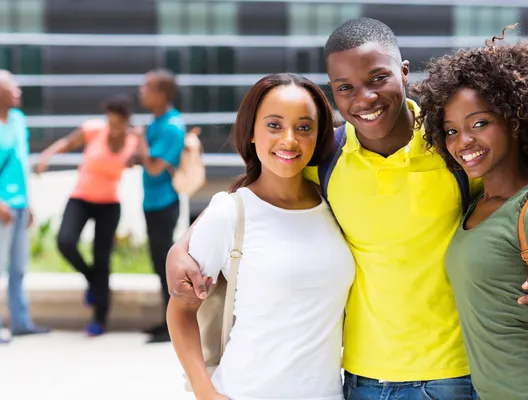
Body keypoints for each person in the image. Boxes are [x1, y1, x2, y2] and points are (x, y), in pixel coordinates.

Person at [165, 18, 528, 399]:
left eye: (378, 79)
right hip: (360, 380)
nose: (364, 98)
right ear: (333, 91)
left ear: (404, 73)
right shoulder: (326, 157)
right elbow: (254, 195)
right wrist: (182, 248)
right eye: (345, 88)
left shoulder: (452, 144)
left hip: (455, 377)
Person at [409, 26, 528, 400]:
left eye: (480, 123)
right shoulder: (477, 203)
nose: (463, 142)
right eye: (450, 130)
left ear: (515, 122)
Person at [167, 72, 354, 400]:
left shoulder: (336, 202)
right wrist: (205, 392)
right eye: (274, 125)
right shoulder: (231, 212)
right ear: (251, 132)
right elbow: (181, 309)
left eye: (304, 127)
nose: (289, 140)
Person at [36, 95, 139, 336]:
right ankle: (92, 280)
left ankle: (99, 319)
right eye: (110, 122)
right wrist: (46, 156)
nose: (112, 128)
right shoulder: (94, 130)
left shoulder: (134, 141)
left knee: (102, 259)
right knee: (65, 241)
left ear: (126, 122)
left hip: (109, 204)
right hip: (81, 199)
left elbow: (141, 160)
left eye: (118, 124)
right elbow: (67, 143)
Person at [0, 70, 49, 343]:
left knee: (19, 267)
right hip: (2, 206)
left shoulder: (18, 119)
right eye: (13, 86)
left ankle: (21, 322)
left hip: (19, 205)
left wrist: (28, 203)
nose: (19, 90)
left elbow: (22, 163)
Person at [137, 69, 185, 343]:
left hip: (164, 202)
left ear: (162, 93)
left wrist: (140, 141)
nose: (141, 91)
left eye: (147, 87)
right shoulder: (156, 123)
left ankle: (174, 325)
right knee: (157, 262)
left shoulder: (170, 126)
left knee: (164, 262)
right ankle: (166, 320)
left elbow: (154, 168)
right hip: (151, 202)